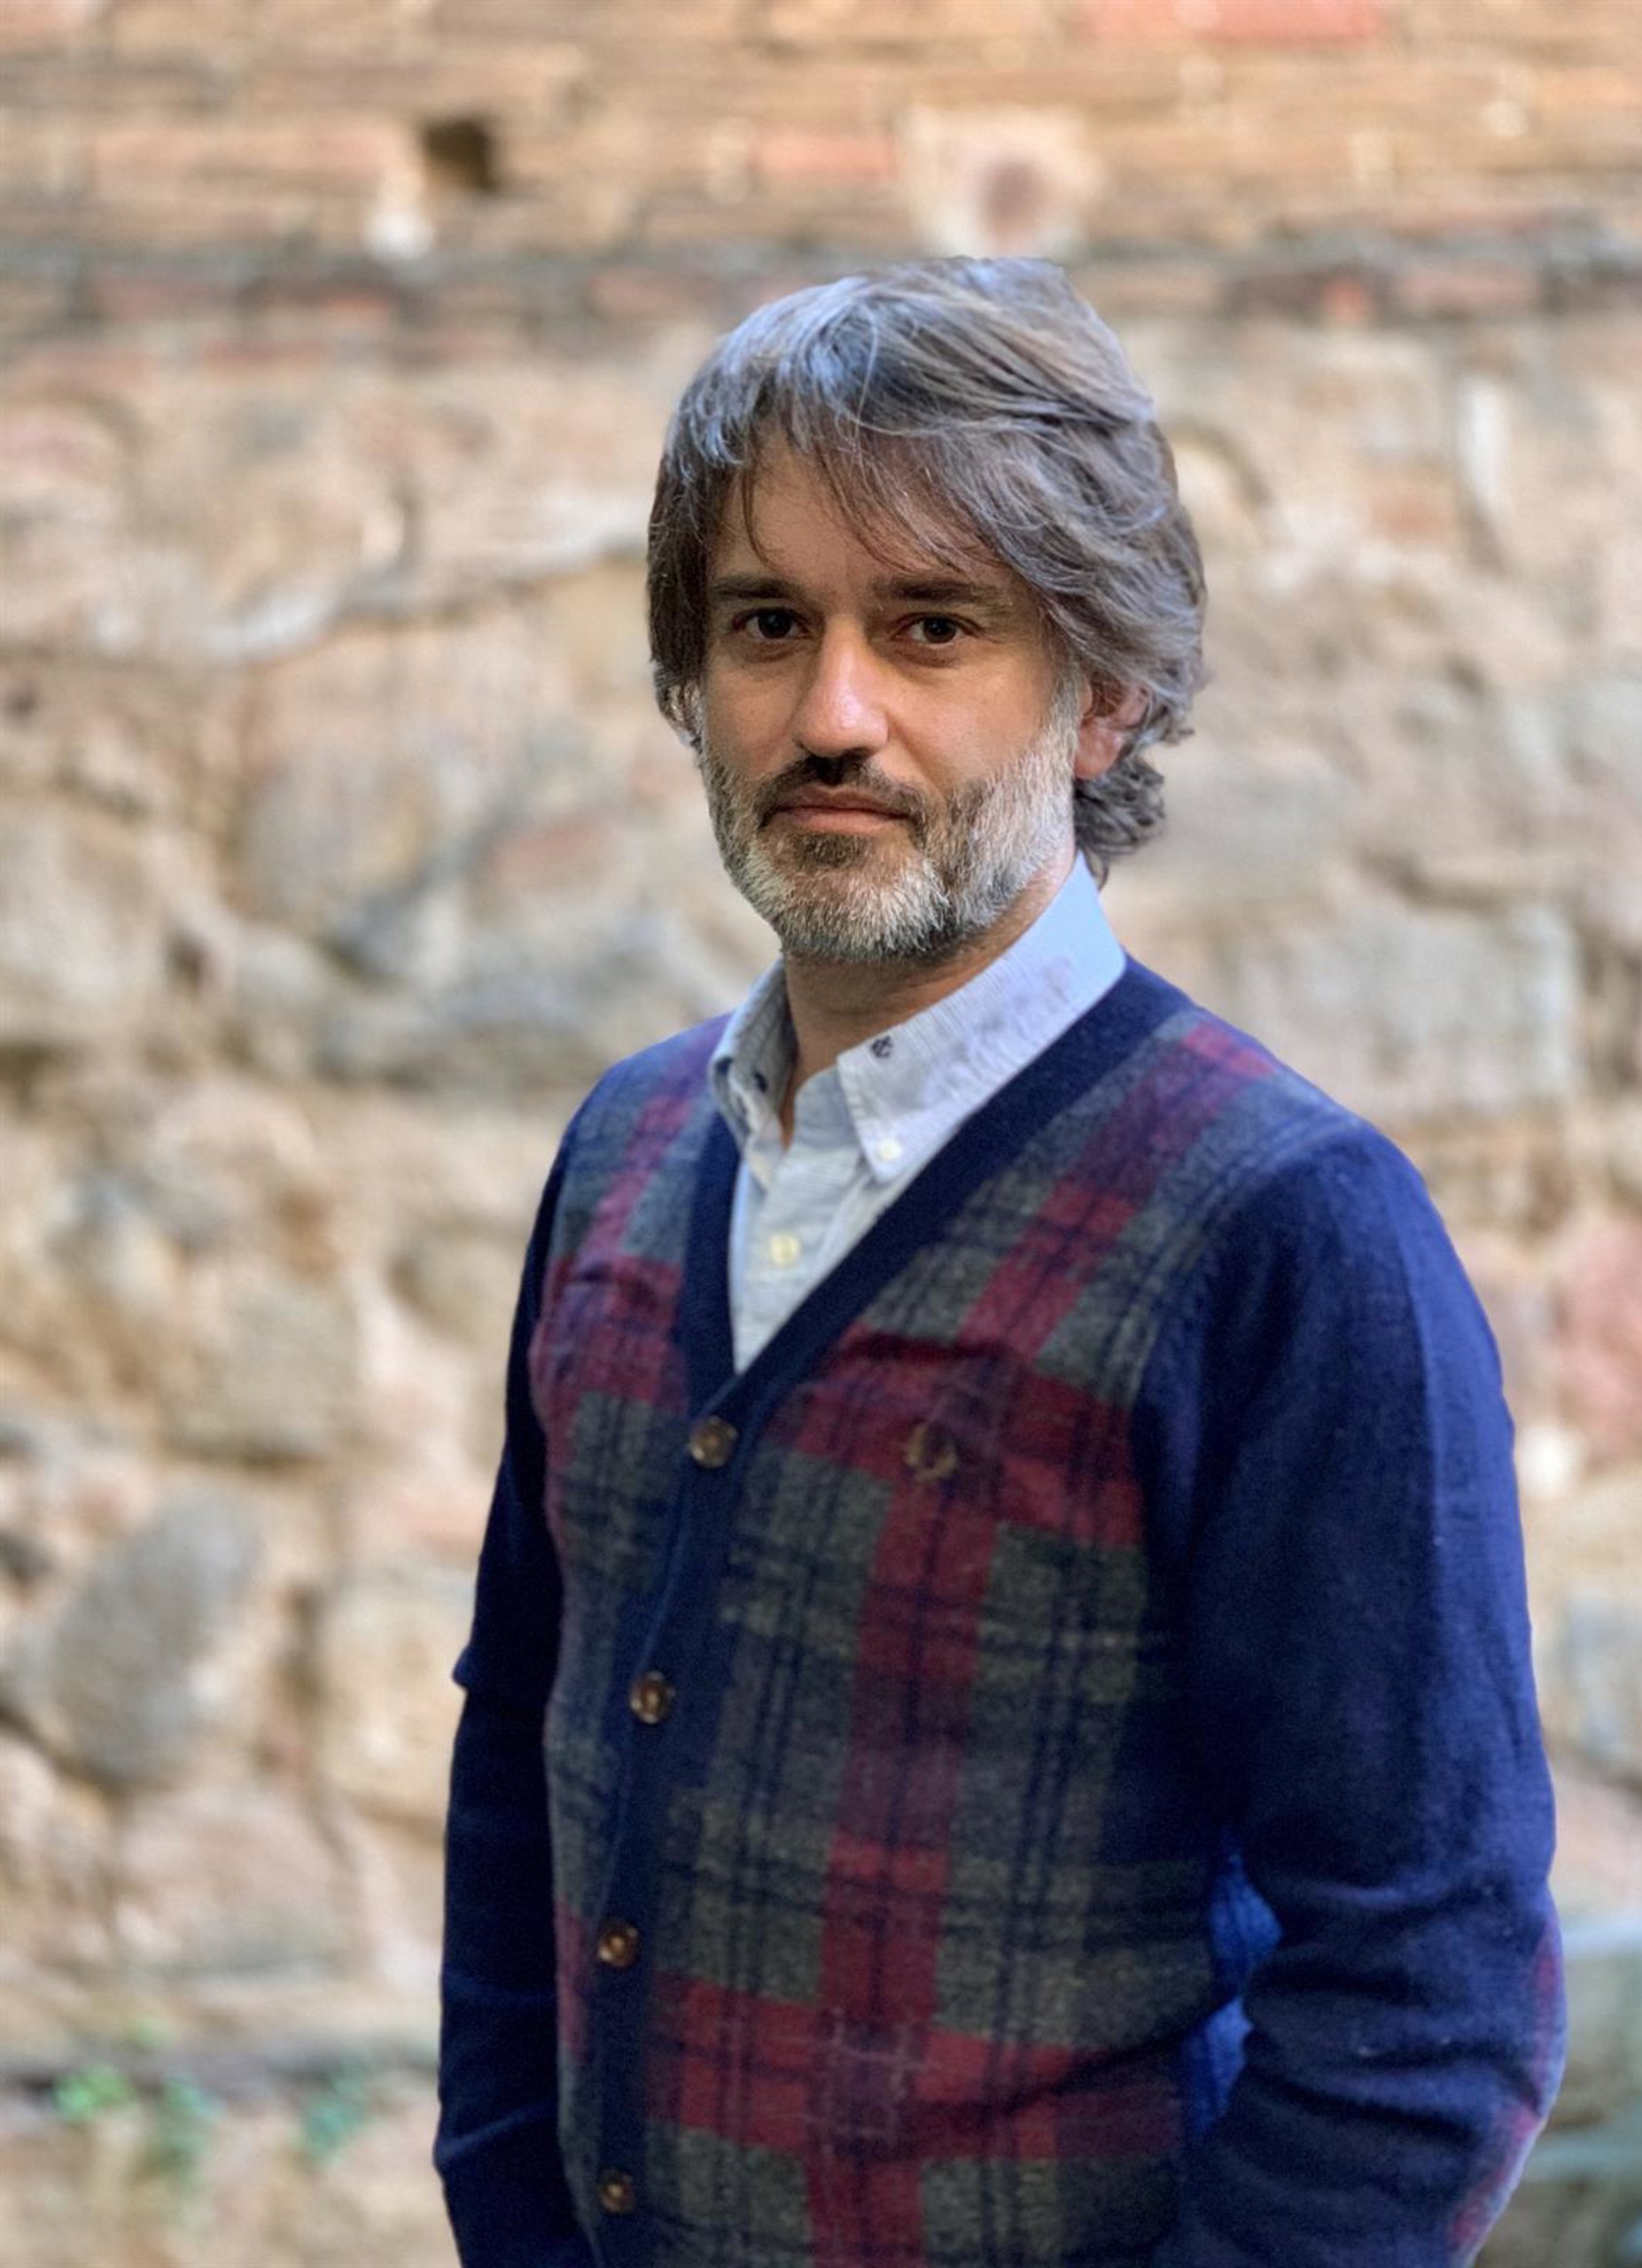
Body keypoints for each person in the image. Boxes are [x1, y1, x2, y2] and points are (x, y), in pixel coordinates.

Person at [434, 257, 1565, 2268]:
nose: (832, 713)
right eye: (767, 625)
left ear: (1102, 687)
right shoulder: (625, 1151)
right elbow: (522, 1746)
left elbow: (1431, 1997)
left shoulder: (1285, 1232)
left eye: (933, 626)